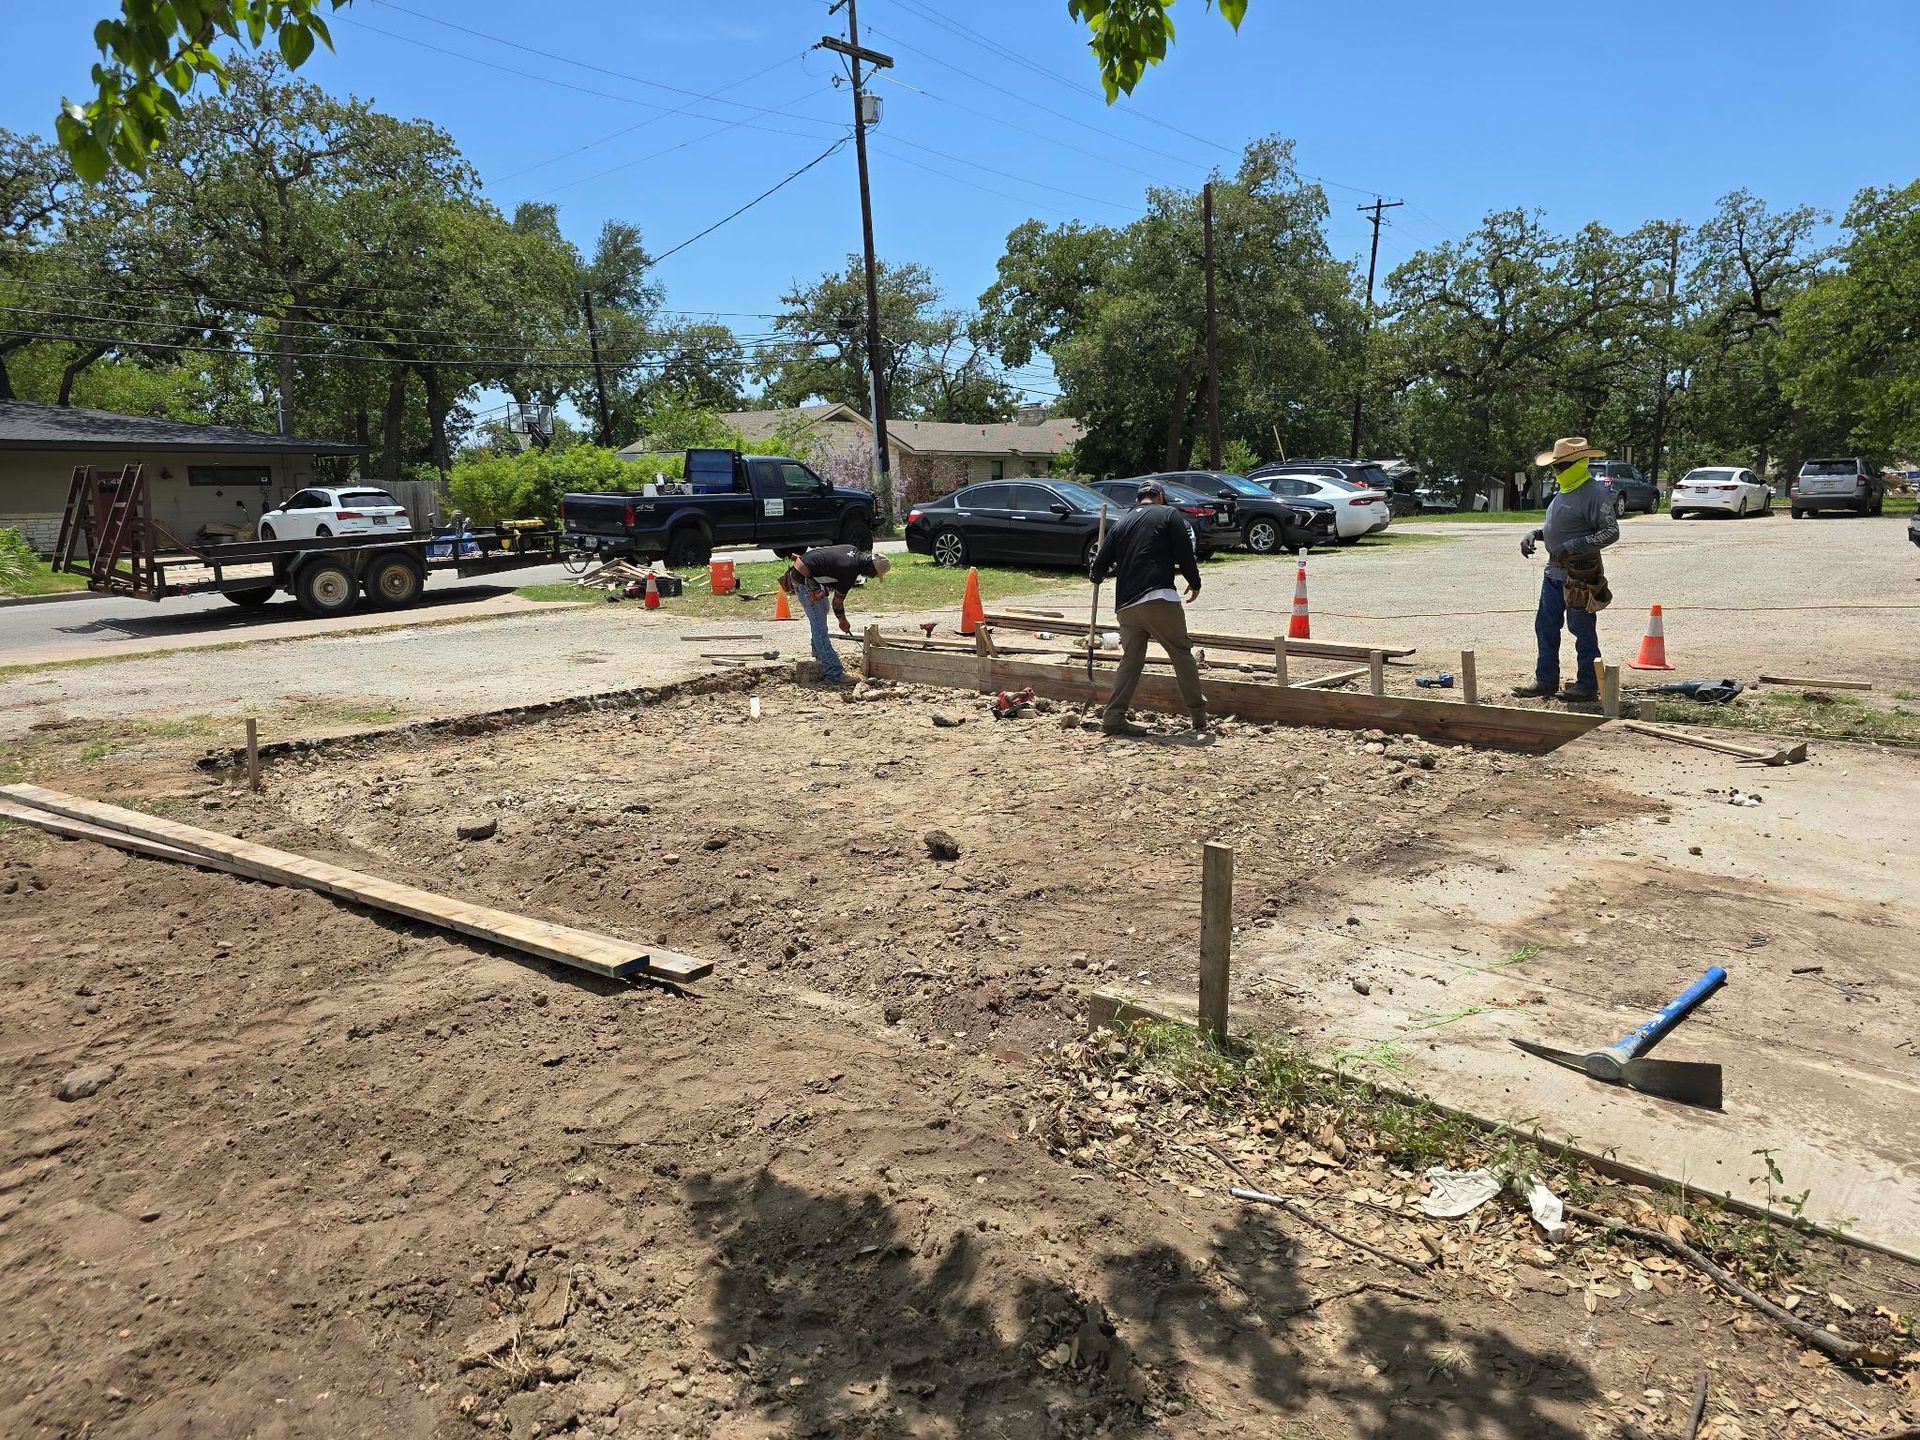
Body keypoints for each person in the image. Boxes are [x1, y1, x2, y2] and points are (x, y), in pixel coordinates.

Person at [1088, 479, 1209, 737]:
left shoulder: (1121, 523)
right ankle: (1198, 717)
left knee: (1131, 660)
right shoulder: (1168, 514)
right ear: (1160, 497)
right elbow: (1184, 552)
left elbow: (1099, 565)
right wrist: (1194, 582)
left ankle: (1113, 718)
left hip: (1127, 606)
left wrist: (1096, 576)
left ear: (1139, 499)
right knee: (1181, 654)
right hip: (1158, 597)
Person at [1513, 436, 1619, 702]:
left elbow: (1611, 532)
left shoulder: (1594, 493)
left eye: (1560, 466)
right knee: (1545, 625)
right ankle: (1546, 680)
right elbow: (1555, 527)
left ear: (1577, 464)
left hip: (1579, 576)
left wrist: (1574, 545)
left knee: (1581, 629)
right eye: (1555, 467)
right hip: (1553, 573)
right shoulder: (1564, 491)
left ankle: (1587, 685)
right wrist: (1534, 533)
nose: (1556, 471)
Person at [780, 544, 891, 684]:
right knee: (819, 627)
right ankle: (834, 673)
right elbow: (837, 603)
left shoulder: (852, 549)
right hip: (803, 578)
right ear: (870, 569)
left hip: (809, 574)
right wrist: (842, 620)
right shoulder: (849, 573)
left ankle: (819, 652)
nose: (872, 577)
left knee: (823, 608)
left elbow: (828, 563)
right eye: (874, 575)